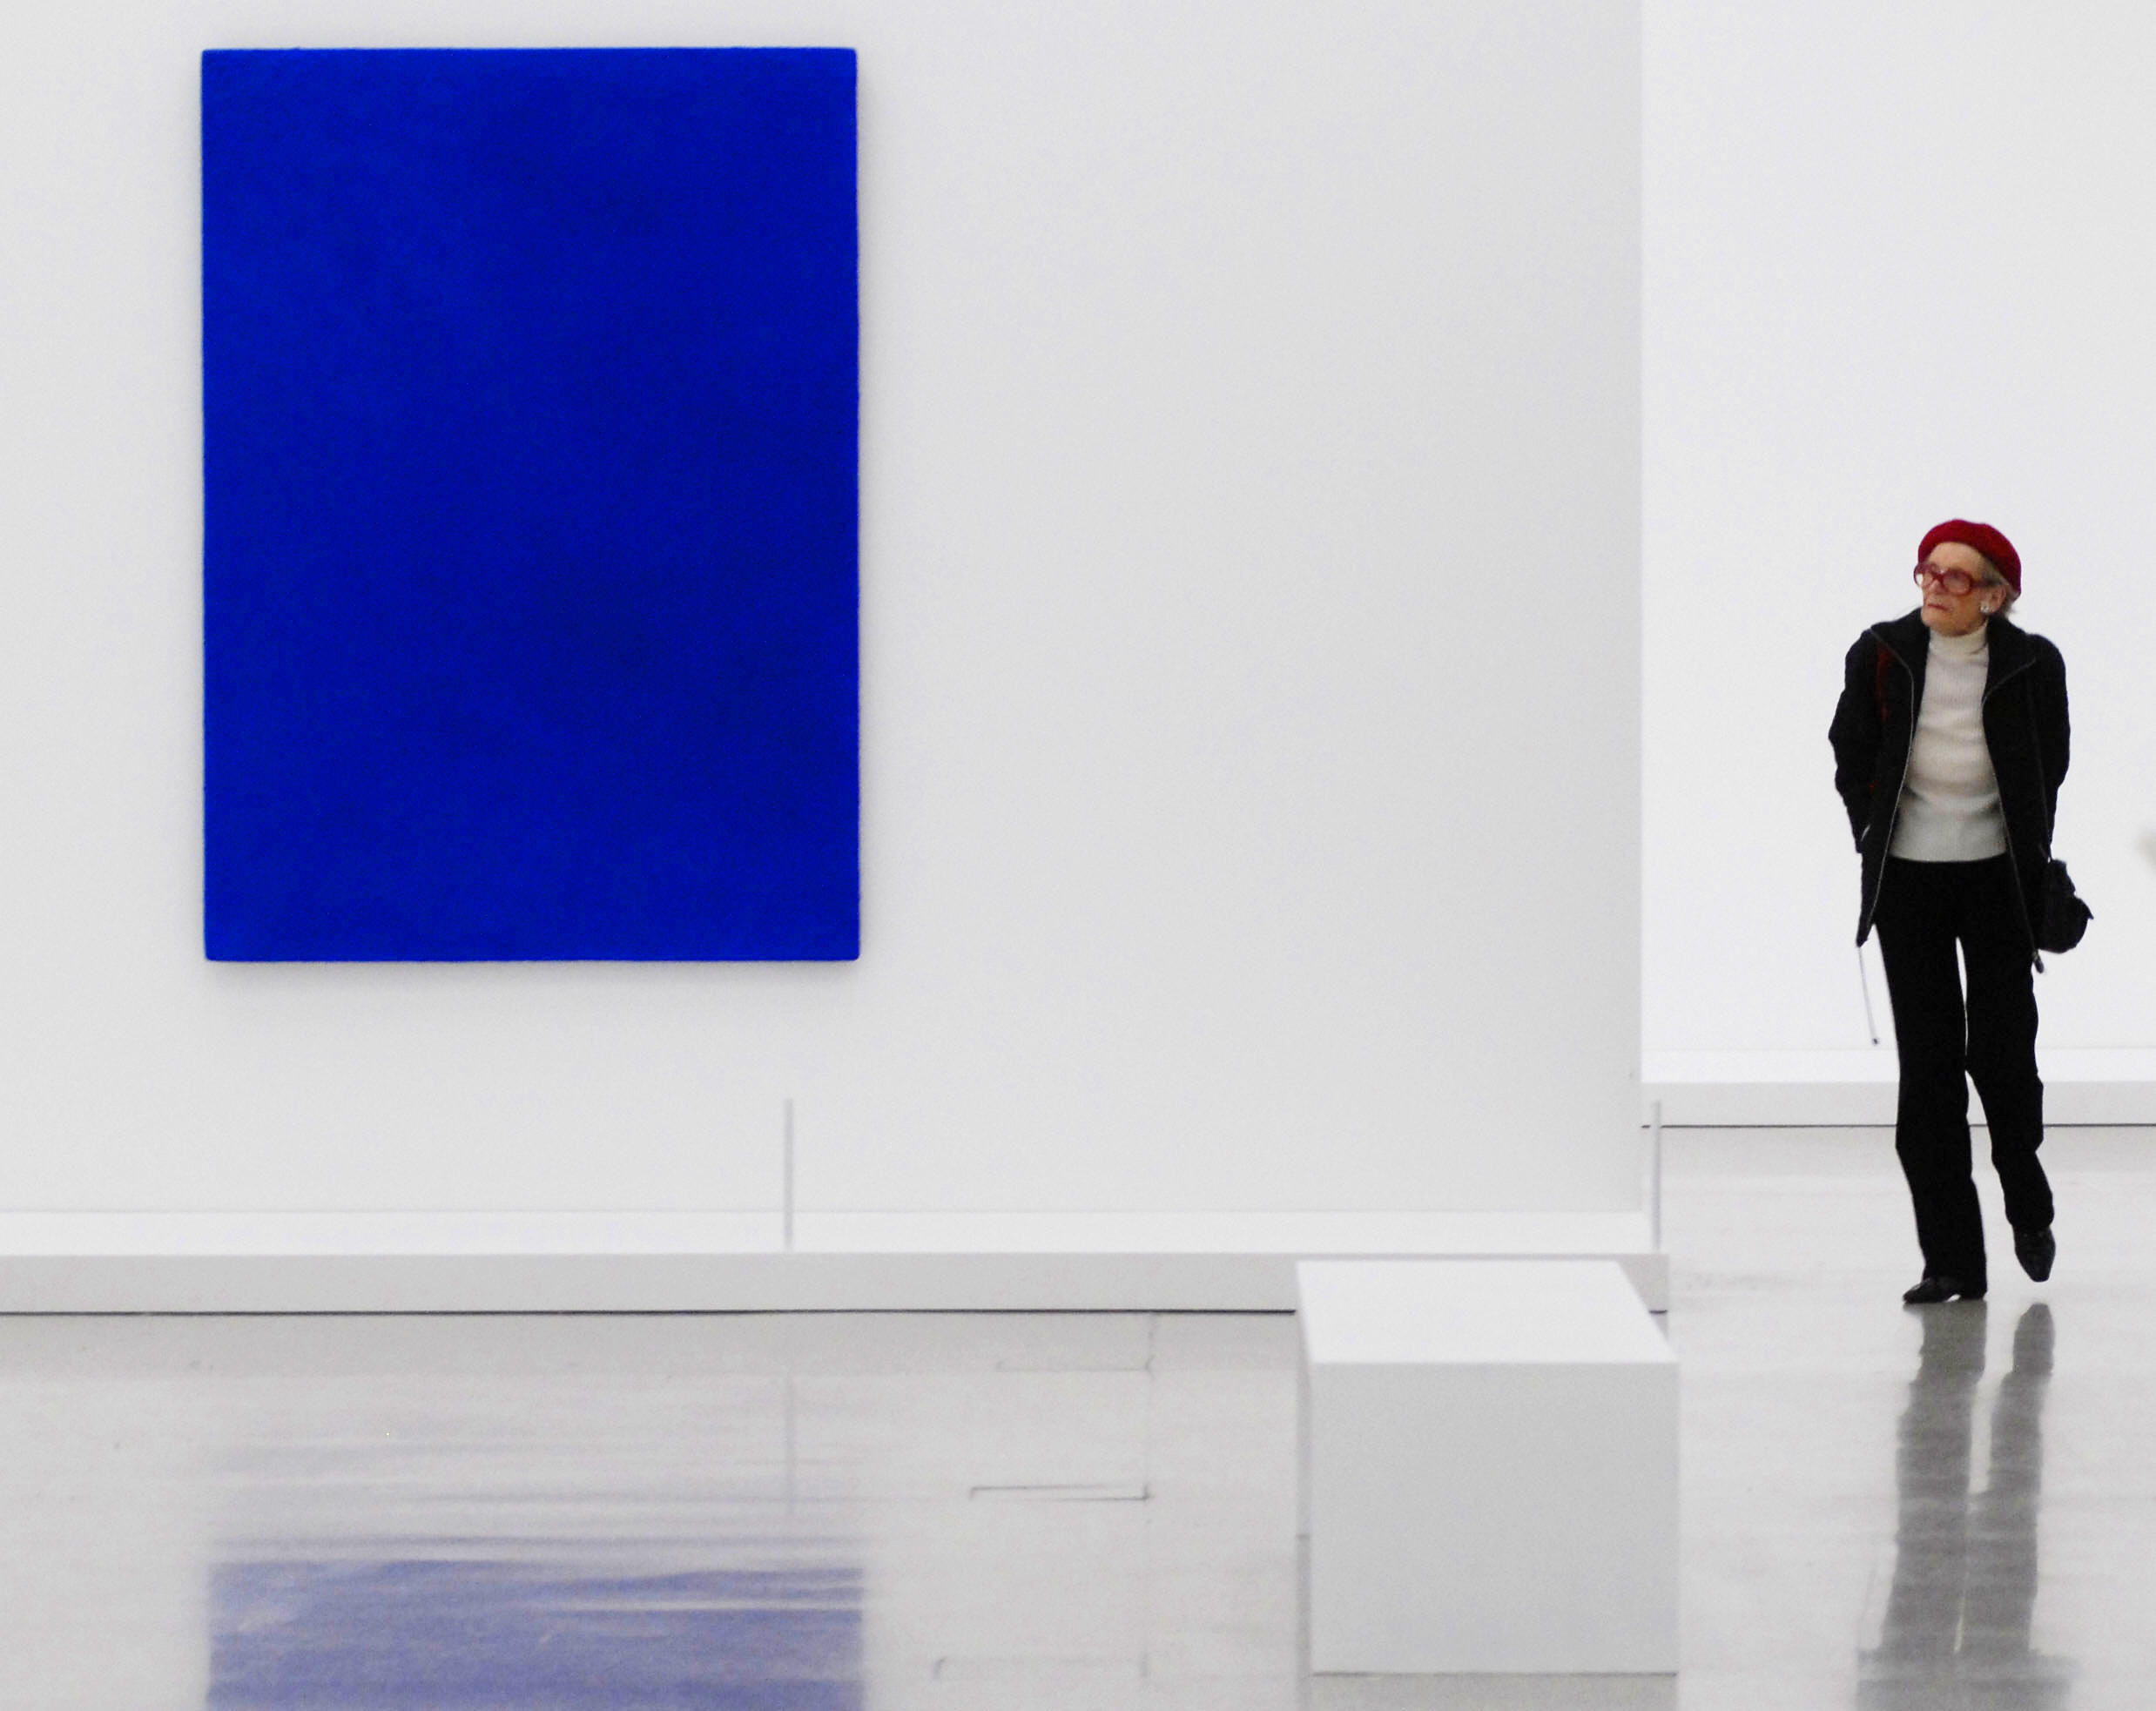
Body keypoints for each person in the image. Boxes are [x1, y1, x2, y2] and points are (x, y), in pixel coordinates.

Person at [1829, 520, 2069, 1305]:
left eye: (1956, 578)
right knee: (1928, 1075)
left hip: (1997, 882)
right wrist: (1872, 824)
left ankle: (2027, 1202)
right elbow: (1851, 749)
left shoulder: (2033, 663)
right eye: (1928, 570)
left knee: (2003, 1056)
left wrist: (2028, 847)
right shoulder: (1882, 652)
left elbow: (2050, 761)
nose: (1933, 585)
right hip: (1910, 886)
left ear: (1995, 596)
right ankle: (1952, 1262)